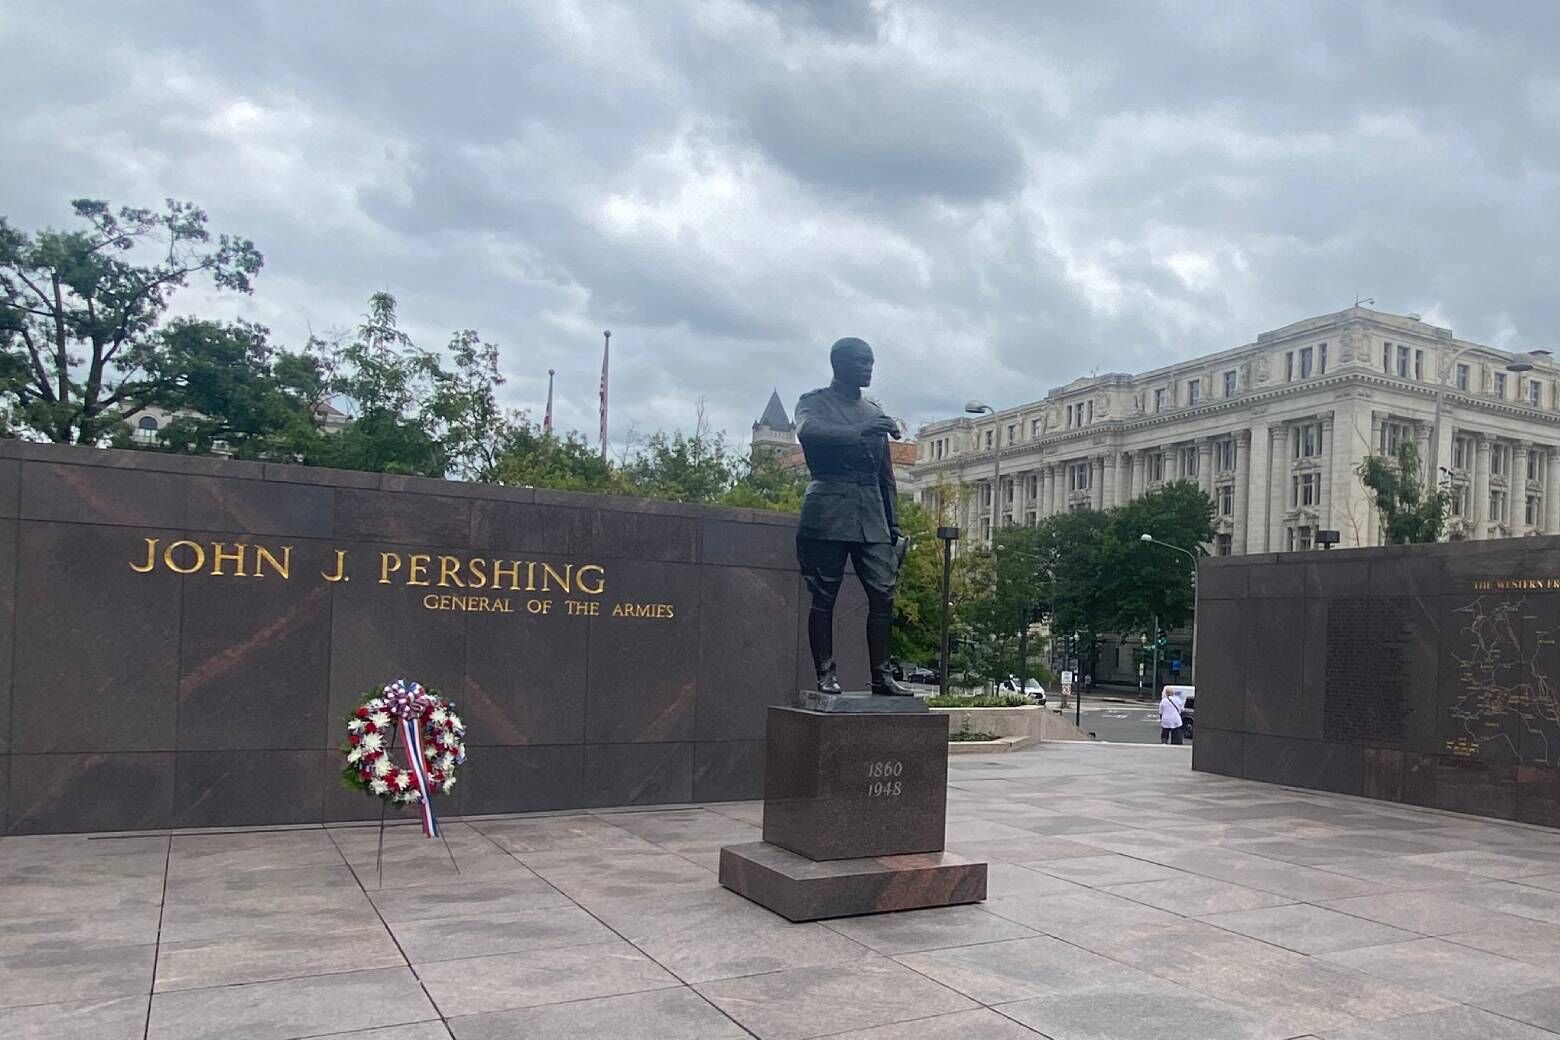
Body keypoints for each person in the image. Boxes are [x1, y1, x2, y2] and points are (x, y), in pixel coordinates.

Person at [794, 337, 911, 696]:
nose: (868, 368)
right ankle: (825, 673)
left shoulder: (873, 412)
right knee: (824, 595)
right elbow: (808, 432)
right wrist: (861, 431)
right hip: (829, 505)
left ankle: (881, 676)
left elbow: (885, 476)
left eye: (871, 363)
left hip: (871, 513)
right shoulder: (814, 402)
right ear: (838, 363)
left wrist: (893, 526)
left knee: (883, 594)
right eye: (861, 362)